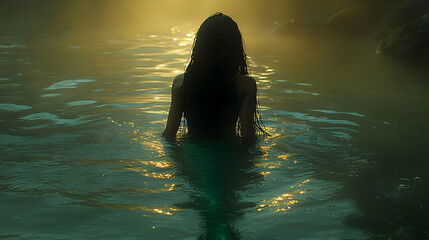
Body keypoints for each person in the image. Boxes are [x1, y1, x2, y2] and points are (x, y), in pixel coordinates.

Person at [162, 12, 266, 144]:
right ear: (234, 46)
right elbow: (248, 139)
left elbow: (169, 135)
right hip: (228, 156)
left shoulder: (180, 83)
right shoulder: (246, 85)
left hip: (191, 157)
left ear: (200, 46)